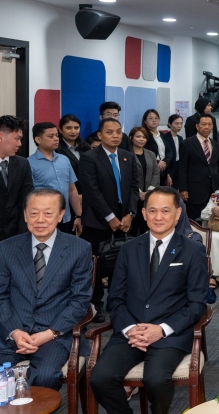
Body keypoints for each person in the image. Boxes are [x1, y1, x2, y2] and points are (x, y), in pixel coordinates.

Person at [89, 186, 208, 414]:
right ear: (143, 213)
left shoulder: (192, 251)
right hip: (131, 332)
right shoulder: (129, 249)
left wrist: (161, 329)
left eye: (166, 211)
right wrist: (130, 329)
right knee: (100, 377)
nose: (158, 216)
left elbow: (197, 304)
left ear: (177, 214)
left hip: (169, 334)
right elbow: (115, 298)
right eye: (152, 210)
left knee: (155, 378)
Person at [0, 188, 92, 414]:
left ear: (61, 215)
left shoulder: (79, 248)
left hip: (53, 334)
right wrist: (14, 331)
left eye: (48, 213)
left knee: (44, 375)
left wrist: (50, 333)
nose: (40, 219)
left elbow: (80, 302)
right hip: (11, 331)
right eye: (34, 213)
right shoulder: (6, 248)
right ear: (25, 215)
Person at [79, 117, 140, 323]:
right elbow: (91, 191)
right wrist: (110, 216)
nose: (115, 136)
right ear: (100, 135)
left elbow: (134, 187)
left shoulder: (127, 156)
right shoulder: (89, 158)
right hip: (97, 221)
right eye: (109, 132)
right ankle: (95, 304)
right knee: (96, 264)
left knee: (120, 262)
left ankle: (116, 302)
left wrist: (130, 214)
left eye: (118, 132)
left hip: (124, 220)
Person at [28, 122, 82, 236]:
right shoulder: (29, 163)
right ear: (38, 139)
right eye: (51, 136)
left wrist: (79, 215)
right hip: (43, 220)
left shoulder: (64, 160)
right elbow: (28, 196)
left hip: (66, 218)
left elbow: (72, 190)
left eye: (57, 135)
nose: (56, 139)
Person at [177, 113, 219, 221]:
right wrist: (183, 189)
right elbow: (182, 168)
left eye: (209, 124)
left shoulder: (215, 144)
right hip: (195, 190)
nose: (207, 127)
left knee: (212, 221)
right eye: (203, 124)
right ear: (197, 126)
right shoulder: (187, 143)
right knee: (195, 222)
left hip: (213, 189)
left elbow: (218, 166)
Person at [129, 126, 160, 235]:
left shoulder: (151, 154)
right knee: (132, 228)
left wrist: (148, 192)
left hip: (149, 197)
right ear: (131, 138)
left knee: (146, 226)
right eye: (138, 136)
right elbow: (127, 175)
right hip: (132, 196)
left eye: (144, 137)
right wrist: (138, 192)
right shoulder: (126, 154)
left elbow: (156, 173)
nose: (141, 139)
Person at [57, 114, 91, 181]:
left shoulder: (86, 147)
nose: (73, 131)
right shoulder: (57, 149)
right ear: (60, 130)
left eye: (76, 128)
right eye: (69, 128)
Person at [140, 109, 169, 185]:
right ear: (145, 121)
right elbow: (142, 152)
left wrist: (164, 162)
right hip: (150, 170)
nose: (154, 120)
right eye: (150, 118)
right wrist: (157, 162)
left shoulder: (162, 135)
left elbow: (169, 151)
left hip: (163, 169)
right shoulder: (143, 136)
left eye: (156, 118)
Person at [162, 114, 183, 186]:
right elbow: (165, 155)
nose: (179, 126)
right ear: (169, 124)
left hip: (178, 167)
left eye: (181, 123)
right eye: (176, 123)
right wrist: (167, 174)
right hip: (169, 167)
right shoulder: (165, 137)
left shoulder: (180, 138)